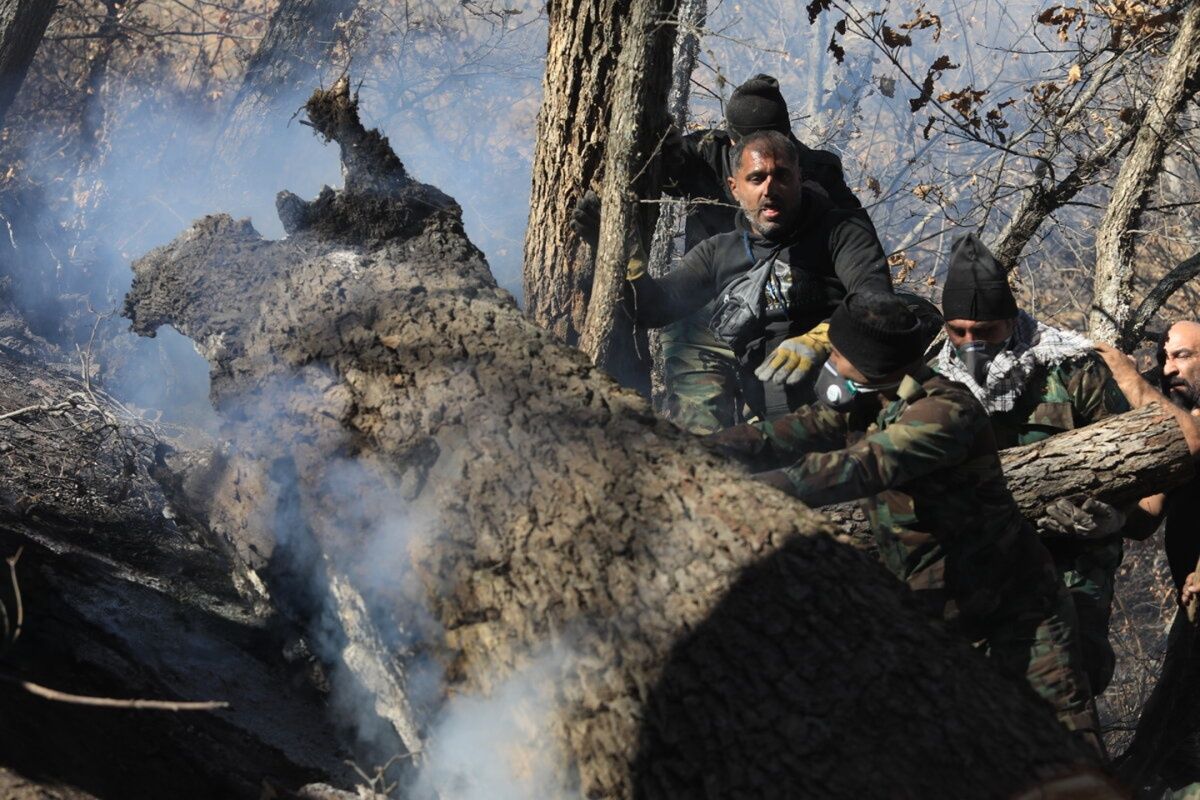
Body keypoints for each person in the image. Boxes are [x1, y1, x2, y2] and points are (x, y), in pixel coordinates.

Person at [707, 291, 1098, 741]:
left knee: (1066, 756)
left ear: (871, 362)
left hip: (1018, 622)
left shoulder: (944, 412)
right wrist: (695, 450)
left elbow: (861, 466)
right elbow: (786, 433)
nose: (830, 360)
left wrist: (737, 495)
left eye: (838, 352)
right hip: (939, 623)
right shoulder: (868, 399)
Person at [573, 74, 862, 433]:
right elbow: (657, 169)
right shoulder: (707, 154)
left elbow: (858, 253)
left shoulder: (812, 170)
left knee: (788, 430)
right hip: (702, 307)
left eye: (775, 143)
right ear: (732, 140)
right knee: (703, 428)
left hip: (785, 310)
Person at [929, 233, 1130, 696]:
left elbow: (1130, 461)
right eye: (958, 332)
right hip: (976, 557)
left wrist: (1106, 516)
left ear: (1011, 321)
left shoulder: (1071, 368)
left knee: (1074, 675)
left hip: (1069, 554)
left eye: (985, 333)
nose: (970, 344)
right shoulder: (932, 381)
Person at [622, 129, 892, 422]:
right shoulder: (719, 252)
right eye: (757, 178)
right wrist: (625, 253)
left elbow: (877, 299)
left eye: (782, 176)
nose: (770, 189)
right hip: (770, 425)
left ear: (799, 179)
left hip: (842, 411)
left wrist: (822, 337)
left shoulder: (840, 232)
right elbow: (652, 309)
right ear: (734, 187)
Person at [1094, 324, 1200, 795]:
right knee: (1164, 751)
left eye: (1181, 356)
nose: (1168, 368)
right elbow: (1144, 520)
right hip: (1192, 614)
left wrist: (1132, 382)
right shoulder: (1184, 421)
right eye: (1164, 358)